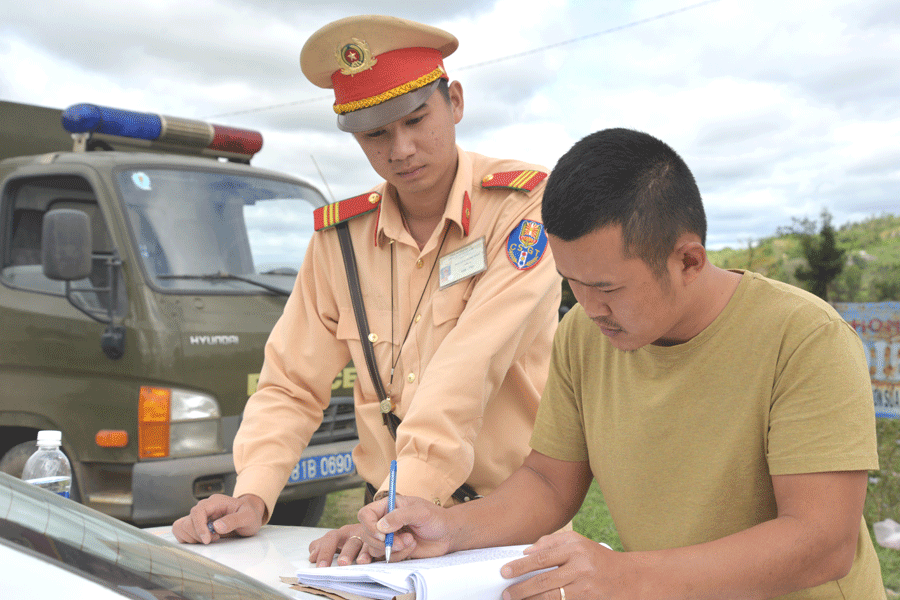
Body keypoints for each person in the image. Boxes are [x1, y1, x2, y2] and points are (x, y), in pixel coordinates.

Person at [358, 128, 886, 599]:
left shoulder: (805, 339)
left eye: (607, 287)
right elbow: (548, 482)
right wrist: (451, 529)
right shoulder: (583, 338)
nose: (589, 307)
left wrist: (627, 577)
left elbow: (822, 542)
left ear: (688, 260)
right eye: (572, 283)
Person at [172, 14, 562, 565]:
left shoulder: (524, 208)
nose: (400, 149)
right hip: (386, 514)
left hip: (502, 517)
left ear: (454, 101)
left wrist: (402, 504)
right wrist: (252, 493)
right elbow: (290, 381)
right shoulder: (341, 241)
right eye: (376, 133)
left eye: (416, 120)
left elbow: (470, 365)